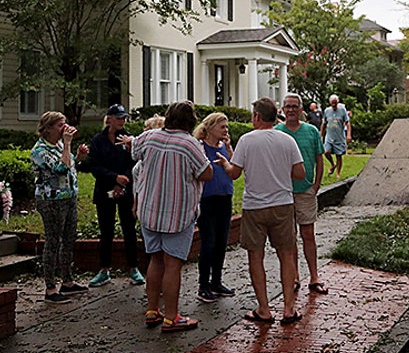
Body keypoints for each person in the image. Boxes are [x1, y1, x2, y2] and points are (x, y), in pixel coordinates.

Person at [216, 97, 306, 326]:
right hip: (283, 204)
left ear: (257, 117)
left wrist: (225, 163)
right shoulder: (287, 141)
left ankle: (264, 309)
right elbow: (300, 173)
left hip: (254, 207)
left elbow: (234, 173)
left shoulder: (246, 140)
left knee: (255, 256)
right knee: (286, 254)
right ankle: (288, 308)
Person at [131, 101, 212, 333]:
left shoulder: (151, 136)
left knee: (155, 260)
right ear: (191, 121)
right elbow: (206, 173)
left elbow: (133, 150)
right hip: (177, 213)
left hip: (149, 210)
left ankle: (151, 310)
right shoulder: (190, 144)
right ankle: (171, 317)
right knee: (173, 264)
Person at [30, 111, 88, 304]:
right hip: (51, 200)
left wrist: (78, 156)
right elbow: (59, 168)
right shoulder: (39, 151)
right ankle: (50, 287)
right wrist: (69, 144)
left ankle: (68, 281)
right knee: (53, 241)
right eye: (59, 125)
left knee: (69, 238)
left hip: (68, 197)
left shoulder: (60, 145)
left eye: (65, 123)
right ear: (47, 128)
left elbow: (69, 166)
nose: (64, 128)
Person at [84, 104, 145, 288]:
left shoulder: (128, 139)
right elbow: (94, 166)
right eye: (118, 117)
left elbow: (134, 160)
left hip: (125, 189)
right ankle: (104, 269)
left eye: (124, 118)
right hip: (105, 190)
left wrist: (124, 180)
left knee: (129, 229)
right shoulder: (98, 141)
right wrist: (114, 179)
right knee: (106, 231)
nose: (122, 121)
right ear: (109, 119)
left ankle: (133, 268)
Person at [275, 93, 329, 294]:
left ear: (301, 109)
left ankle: (314, 276)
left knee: (308, 234)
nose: (290, 110)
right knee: (290, 237)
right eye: (287, 106)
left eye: (294, 106)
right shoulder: (277, 132)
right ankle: (295, 275)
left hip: (306, 190)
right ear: (282, 109)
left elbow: (319, 158)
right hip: (284, 192)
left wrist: (316, 185)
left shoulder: (312, 131)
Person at [193, 112, 235, 303]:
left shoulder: (224, 146)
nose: (226, 130)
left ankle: (216, 281)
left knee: (221, 241)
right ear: (210, 128)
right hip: (207, 199)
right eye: (222, 127)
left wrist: (229, 148)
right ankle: (203, 285)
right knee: (208, 242)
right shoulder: (200, 147)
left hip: (225, 197)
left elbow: (235, 167)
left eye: (226, 127)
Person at [322, 94, 350, 177]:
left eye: (335, 103)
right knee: (326, 152)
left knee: (339, 156)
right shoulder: (327, 111)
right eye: (332, 103)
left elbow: (348, 123)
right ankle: (332, 164)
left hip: (339, 137)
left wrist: (348, 134)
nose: (334, 105)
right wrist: (321, 135)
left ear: (337, 102)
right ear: (330, 103)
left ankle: (338, 173)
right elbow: (324, 124)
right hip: (329, 137)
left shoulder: (342, 110)